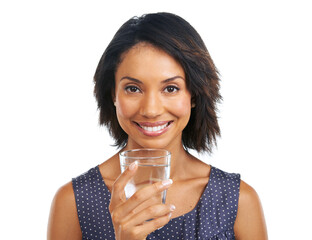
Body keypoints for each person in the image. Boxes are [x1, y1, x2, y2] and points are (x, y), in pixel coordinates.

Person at [47, 12, 267, 240]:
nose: (151, 110)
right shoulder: (74, 202)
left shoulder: (237, 200)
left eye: (171, 88)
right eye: (133, 88)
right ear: (113, 94)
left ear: (194, 94)